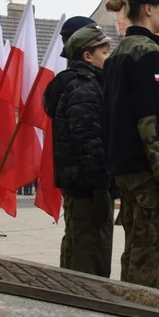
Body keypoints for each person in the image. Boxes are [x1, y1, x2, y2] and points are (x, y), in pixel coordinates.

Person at [102, 0, 159, 293]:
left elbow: (106, 118)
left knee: (134, 252)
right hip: (149, 175)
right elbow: (153, 121)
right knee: (153, 259)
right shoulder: (150, 56)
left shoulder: (116, 57)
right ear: (148, 9)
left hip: (125, 172)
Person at [43, 21, 115, 277]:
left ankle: (72, 298)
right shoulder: (84, 87)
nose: (109, 57)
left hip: (81, 184)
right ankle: (88, 308)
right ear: (87, 56)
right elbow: (89, 141)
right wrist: (101, 187)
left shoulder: (79, 83)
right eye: (104, 52)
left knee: (77, 244)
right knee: (91, 254)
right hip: (88, 186)